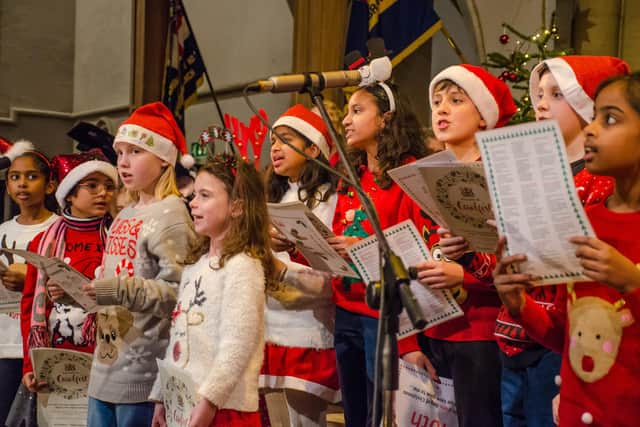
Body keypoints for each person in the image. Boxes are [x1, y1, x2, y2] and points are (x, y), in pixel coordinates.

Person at [488, 56, 630, 427]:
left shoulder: (600, 197)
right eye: (537, 94)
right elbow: (571, 325)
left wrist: (631, 281)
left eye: (609, 119)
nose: (541, 104)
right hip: (556, 373)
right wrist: (518, 303)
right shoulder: (585, 212)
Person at [409, 64, 518, 427]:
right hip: (431, 327)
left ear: (484, 116)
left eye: (456, 101)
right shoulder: (424, 173)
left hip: (478, 332)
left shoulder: (498, 173)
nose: (440, 109)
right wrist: (410, 337)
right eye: (437, 101)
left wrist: (463, 274)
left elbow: (516, 256)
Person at [83, 102, 197, 427]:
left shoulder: (172, 215)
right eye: (119, 153)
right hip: (106, 364)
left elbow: (178, 293)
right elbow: (118, 276)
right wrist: (83, 290)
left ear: (163, 159)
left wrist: (115, 289)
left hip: (142, 374)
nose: (122, 163)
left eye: (135, 152)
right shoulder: (125, 213)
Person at [327, 81, 429, 426]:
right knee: (354, 413)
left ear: (385, 119)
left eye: (357, 111)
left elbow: (414, 254)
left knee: (380, 416)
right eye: (346, 112)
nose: (345, 121)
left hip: (383, 315)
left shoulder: (407, 174)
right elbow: (346, 232)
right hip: (346, 308)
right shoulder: (351, 174)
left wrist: (410, 340)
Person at [150, 154, 273, 426]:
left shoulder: (242, 266)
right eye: (194, 195)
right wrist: (162, 396)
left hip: (223, 409)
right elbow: (178, 337)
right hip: (184, 404)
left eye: (205, 195)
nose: (193, 203)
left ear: (237, 207)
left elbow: (236, 347)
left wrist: (209, 402)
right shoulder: (196, 265)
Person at [261, 104, 340, 426]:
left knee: (306, 419)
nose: (275, 148)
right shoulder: (277, 194)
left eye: (285, 139)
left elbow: (328, 262)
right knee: (278, 419)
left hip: (307, 323)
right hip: (271, 322)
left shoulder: (329, 197)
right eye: (273, 141)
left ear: (312, 147)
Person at [20, 150, 117, 393]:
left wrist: (76, 291)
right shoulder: (43, 242)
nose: (103, 193)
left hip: (106, 357)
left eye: (108, 186)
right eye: (92, 186)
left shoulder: (119, 237)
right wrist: (29, 365)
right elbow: (29, 305)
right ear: (70, 194)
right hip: (56, 356)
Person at [0, 144, 57, 425]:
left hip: (37, 347)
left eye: (32, 176)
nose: (22, 183)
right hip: (3, 342)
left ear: (49, 185)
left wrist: (30, 283)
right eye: (15, 176)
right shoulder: (3, 231)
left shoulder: (58, 228)